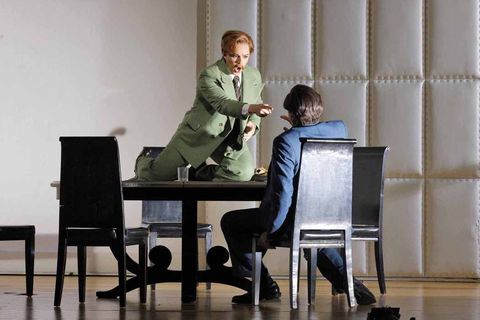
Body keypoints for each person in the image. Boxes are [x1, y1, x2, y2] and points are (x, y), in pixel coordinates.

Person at [221, 84, 377, 305]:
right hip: (332, 216)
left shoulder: (285, 142)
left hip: (294, 220)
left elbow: (283, 194)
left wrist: (271, 233)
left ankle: (263, 285)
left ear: (292, 113)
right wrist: (296, 132)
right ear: (318, 108)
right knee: (317, 241)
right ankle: (349, 282)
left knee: (231, 221)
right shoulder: (338, 129)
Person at [133, 30, 273, 182]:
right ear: (224, 53)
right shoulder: (209, 75)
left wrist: (253, 124)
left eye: (245, 56)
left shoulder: (254, 75)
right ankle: (143, 161)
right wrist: (252, 108)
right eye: (234, 56)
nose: (240, 62)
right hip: (198, 135)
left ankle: (198, 172)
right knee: (155, 176)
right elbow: (223, 103)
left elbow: (256, 102)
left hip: (229, 139)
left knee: (242, 173)